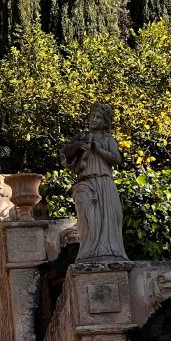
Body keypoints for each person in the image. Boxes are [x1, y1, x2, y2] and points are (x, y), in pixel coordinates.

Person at [60, 103, 129, 263]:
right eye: (92, 116)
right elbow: (65, 154)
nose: (94, 119)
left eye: (98, 117)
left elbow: (116, 159)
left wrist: (98, 148)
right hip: (87, 184)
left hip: (105, 183)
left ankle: (112, 252)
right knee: (89, 221)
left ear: (105, 122)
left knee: (111, 218)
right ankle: (89, 253)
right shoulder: (82, 137)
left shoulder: (108, 139)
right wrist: (77, 146)